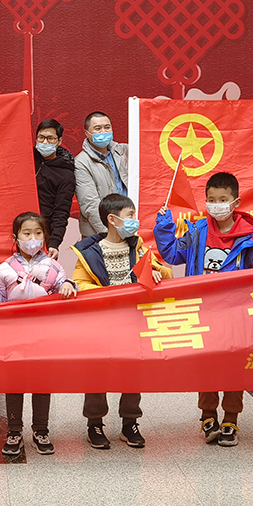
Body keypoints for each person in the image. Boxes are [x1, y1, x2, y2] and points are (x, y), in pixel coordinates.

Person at [154, 171, 253, 447]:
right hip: (202, 310)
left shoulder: (250, 236)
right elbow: (172, 255)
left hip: (235, 313)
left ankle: (231, 419)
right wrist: (164, 227)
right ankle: (208, 416)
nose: (217, 205)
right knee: (206, 365)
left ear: (235, 202)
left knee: (234, 367)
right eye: (211, 200)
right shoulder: (197, 230)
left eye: (223, 200)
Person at [71, 192, 172, 449]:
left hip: (133, 323)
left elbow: (166, 274)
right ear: (113, 220)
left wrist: (155, 272)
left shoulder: (139, 248)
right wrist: (109, 294)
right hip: (100, 325)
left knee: (132, 371)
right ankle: (95, 423)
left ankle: (130, 422)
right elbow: (80, 284)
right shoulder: (89, 252)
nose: (135, 221)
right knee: (97, 373)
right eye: (130, 216)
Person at [0, 211, 78, 457]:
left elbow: (63, 289)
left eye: (37, 233)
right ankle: (14, 430)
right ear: (16, 237)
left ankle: (41, 429)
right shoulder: (4, 269)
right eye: (26, 233)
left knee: (42, 381)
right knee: (14, 382)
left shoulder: (54, 266)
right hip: (13, 334)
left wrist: (69, 285)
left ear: (45, 236)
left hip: (44, 334)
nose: (32, 238)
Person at [74, 111, 129, 238]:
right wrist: (111, 234)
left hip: (129, 225)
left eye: (107, 127)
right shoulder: (81, 162)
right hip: (99, 234)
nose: (103, 132)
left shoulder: (124, 151)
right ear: (87, 133)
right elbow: (90, 204)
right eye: (97, 128)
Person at [33, 119, 75, 258]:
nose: (45, 142)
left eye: (50, 138)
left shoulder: (66, 173)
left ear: (59, 141)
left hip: (44, 232)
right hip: (18, 227)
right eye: (41, 137)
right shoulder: (26, 159)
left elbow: (61, 211)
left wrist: (54, 243)